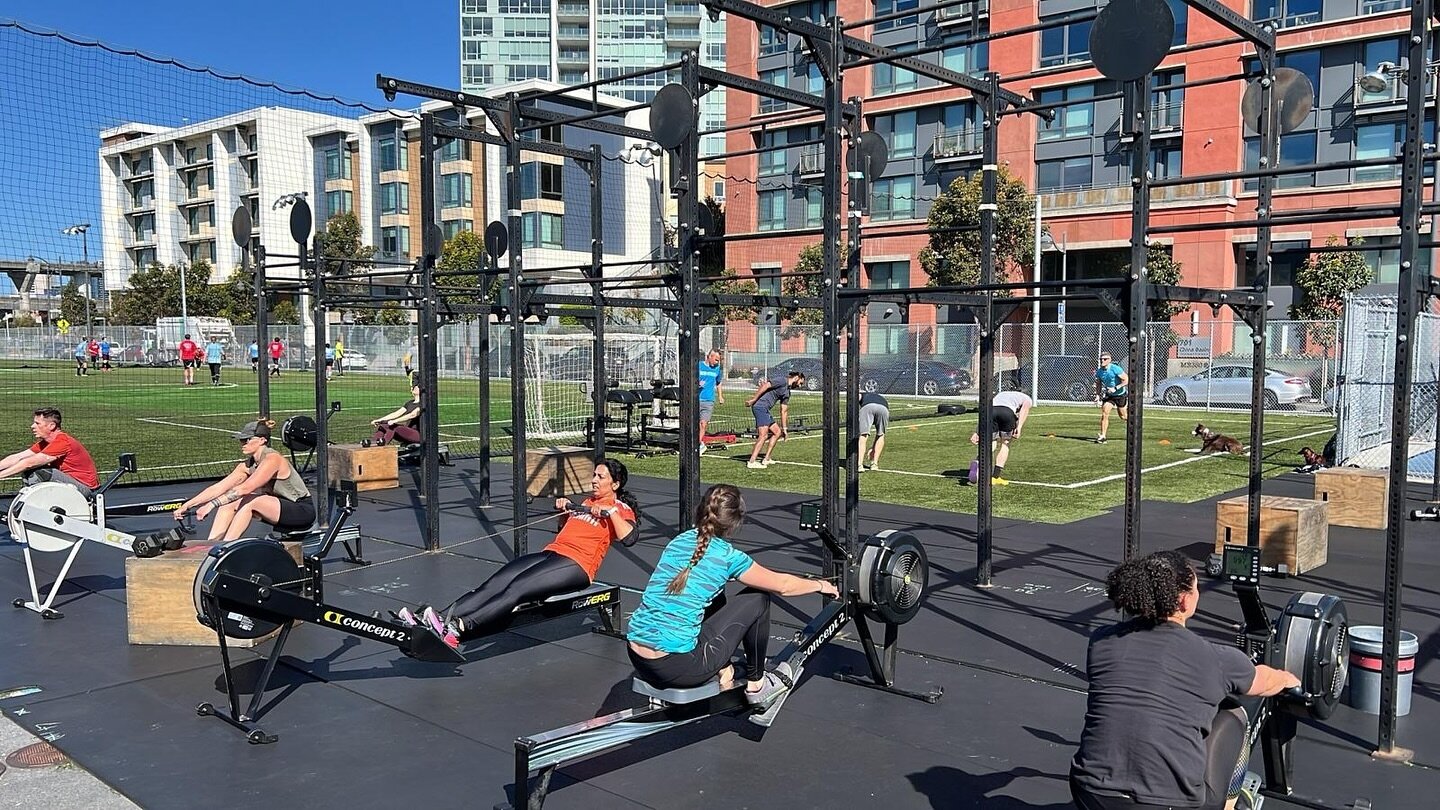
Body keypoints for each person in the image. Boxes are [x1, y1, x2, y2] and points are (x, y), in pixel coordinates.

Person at [1070, 550, 1301, 810]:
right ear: (1183, 601)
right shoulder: (1215, 658)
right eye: (1195, 588)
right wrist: (1288, 678)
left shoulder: (1101, 642)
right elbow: (1264, 682)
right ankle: (1231, 803)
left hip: (1089, 793)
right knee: (1232, 713)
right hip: (1167, 805)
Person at [626, 484, 838, 719]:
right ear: (736, 522)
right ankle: (757, 684)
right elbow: (783, 586)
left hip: (637, 656)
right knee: (757, 598)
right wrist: (821, 585)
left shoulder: (678, 541)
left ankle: (724, 670)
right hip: (678, 668)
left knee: (715, 598)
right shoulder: (728, 557)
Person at [395, 459, 640, 649]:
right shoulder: (587, 501)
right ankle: (437, 619)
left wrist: (608, 512)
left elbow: (629, 537)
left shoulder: (621, 507)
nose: (594, 480)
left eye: (601, 477)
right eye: (594, 475)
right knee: (495, 583)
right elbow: (565, 531)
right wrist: (567, 511)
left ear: (615, 484)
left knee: (516, 590)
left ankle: (458, 628)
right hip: (553, 553)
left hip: (577, 565)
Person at [175, 420, 315, 543]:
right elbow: (218, 488)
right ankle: (212, 545)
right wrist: (187, 505)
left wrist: (210, 505)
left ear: (262, 440)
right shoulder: (248, 465)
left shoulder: (273, 459)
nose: (242, 443)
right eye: (241, 440)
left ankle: (226, 548)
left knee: (250, 501)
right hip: (278, 509)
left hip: (301, 511)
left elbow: (245, 488)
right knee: (230, 502)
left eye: (247, 440)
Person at [0, 407, 100, 495]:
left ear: (51, 426)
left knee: (39, 472)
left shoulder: (62, 442)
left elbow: (29, 463)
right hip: (70, 483)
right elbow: (17, 457)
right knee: (31, 471)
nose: (32, 426)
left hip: (85, 489)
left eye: (37, 423)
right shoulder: (46, 443)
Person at [968, 390, 1032, 486]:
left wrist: (977, 432)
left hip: (991, 412)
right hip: (1007, 413)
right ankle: (995, 477)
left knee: (991, 443)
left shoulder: (1001, 394)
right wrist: (1019, 427)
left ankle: (978, 461)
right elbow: (1024, 410)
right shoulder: (1027, 398)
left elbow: (986, 410)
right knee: (1005, 444)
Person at [745, 370, 804, 470]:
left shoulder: (787, 392)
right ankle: (751, 461)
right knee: (763, 435)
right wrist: (754, 399)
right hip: (760, 407)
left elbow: (784, 410)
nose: (800, 386)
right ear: (796, 378)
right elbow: (766, 385)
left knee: (777, 432)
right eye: (800, 383)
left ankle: (766, 459)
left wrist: (785, 428)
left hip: (765, 410)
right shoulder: (782, 380)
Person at [1093, 352, 1129, 445]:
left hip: (1120, 394)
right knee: (1105, 412)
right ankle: (1103, 436)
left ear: (1109, 360)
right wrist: (1097, 396)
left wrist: (1115, 388)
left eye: (1105, 359)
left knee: (1123, 416)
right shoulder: (1099, 371)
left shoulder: (1115, 368)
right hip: (1110, 395)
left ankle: (1133, 426)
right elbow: (1098, 384)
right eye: (1101, 359)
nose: (1102, 361)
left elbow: (1126, 380)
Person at [697, 348, 725, 454]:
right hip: (696, 399)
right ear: (709, 357)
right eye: (716, 360)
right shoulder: (698, 365)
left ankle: (697, 445)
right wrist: (697, 384)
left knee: (703, 423)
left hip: (708, 401)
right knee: (695, 425)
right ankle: (699, 444)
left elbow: (718, 382)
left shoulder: (717, 369)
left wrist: (720, 396)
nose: (718, 362)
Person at [857, 390, 889, 472]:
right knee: (881, 434)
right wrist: (873, 449)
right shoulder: (879, 397)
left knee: (863, 435)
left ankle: (859, 465)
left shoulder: (862, 395)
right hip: (884, 409)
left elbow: (857, 397)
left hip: (868, 407)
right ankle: (874, 464)